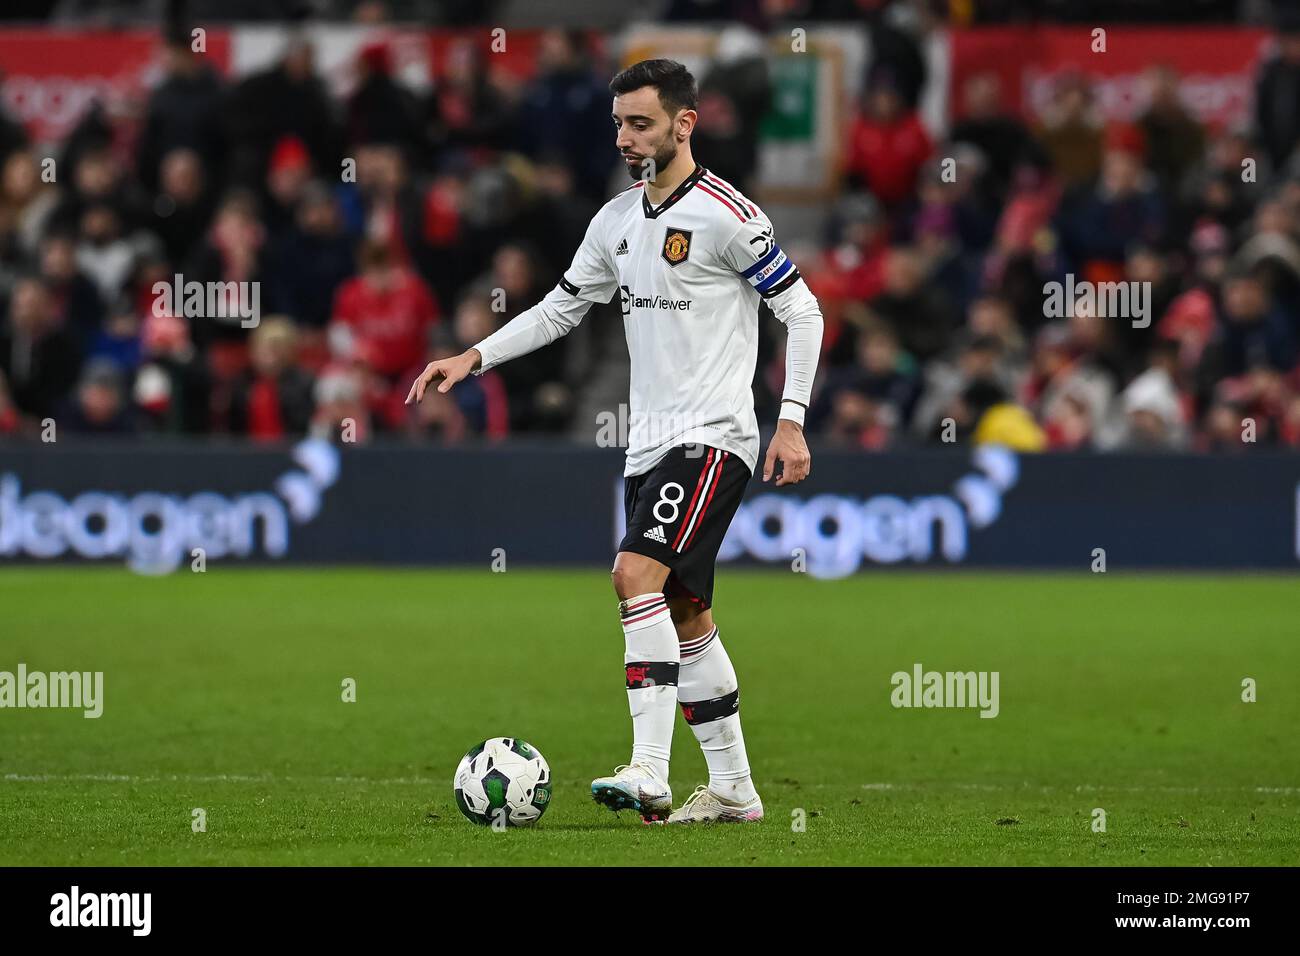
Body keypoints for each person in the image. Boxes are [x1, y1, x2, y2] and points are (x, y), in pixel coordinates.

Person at [406, 59, 824, 824]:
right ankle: (734, 787)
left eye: (641, 123)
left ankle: (650, 770)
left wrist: (790, 418)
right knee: (686, 610)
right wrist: (474, 356)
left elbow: (803, 313)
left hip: (712, 437)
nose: (627, 139)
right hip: (648, 445)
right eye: (619, 124)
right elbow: (560, 308)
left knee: (634, 575)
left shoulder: (730, 216)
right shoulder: (616, 221)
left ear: (683, 123)